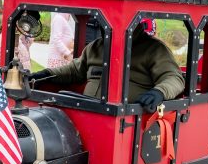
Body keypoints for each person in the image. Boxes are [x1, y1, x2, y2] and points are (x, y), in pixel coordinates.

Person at [33, 23, 184, 112]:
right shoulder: (97, 46)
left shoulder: (154, 49)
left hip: (127, 121)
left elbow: (174, 78)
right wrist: (45, 74)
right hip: (85, 111)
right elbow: (74, 71)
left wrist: (159, 92)